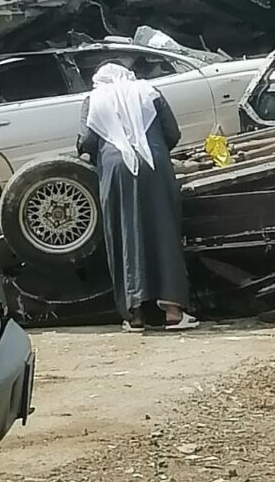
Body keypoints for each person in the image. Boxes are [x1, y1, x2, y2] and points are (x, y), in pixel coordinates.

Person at [77, 62, 198, 332]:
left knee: (124, 234)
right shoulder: (149, 91)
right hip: (154, 164)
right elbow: (172, 132)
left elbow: (86, 141)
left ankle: (135, 316)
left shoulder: (93, 100)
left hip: (116, 170)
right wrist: (154, 149)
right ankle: (173, 312)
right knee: (164, 231)